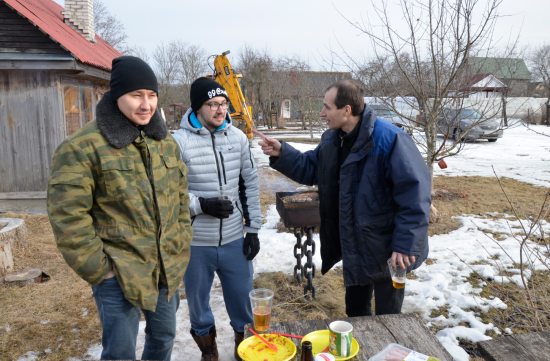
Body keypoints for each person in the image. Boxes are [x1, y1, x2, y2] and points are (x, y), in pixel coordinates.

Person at [47, 56, 193, 361]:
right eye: (136, 95)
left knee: (164, 338)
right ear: (116, 96)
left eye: (151, 95)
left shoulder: (164, 142)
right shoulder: (82, 147)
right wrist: (102, 271)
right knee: (120, 353)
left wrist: (180, 242)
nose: (146, 104)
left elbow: (180, 197)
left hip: (165, 268)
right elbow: (68, 218)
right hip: (118, 272)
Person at [256, 80, 430, 316]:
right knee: (356, 312)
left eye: (327, 107)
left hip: (389, 249)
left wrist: (405, 244)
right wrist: (282, 153)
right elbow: (311, 168)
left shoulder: (391, 140)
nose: (322, 112)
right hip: (355, 245)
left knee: (388, 316)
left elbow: (415, 196)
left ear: (346, 110)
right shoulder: (332, 139)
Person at [173, 77, 261, 361]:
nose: (220, 110)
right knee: (198, 305)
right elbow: (167, 193)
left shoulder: (237, 138)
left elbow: (250, 183)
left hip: (235, 238)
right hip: (196, 243)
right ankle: (208, 351)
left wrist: (254, 229)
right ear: (198, 107)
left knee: (242, 300)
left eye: (223, 104)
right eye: (213, 104)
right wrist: (200, 205)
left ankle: (243, 348)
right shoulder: (178, 142)